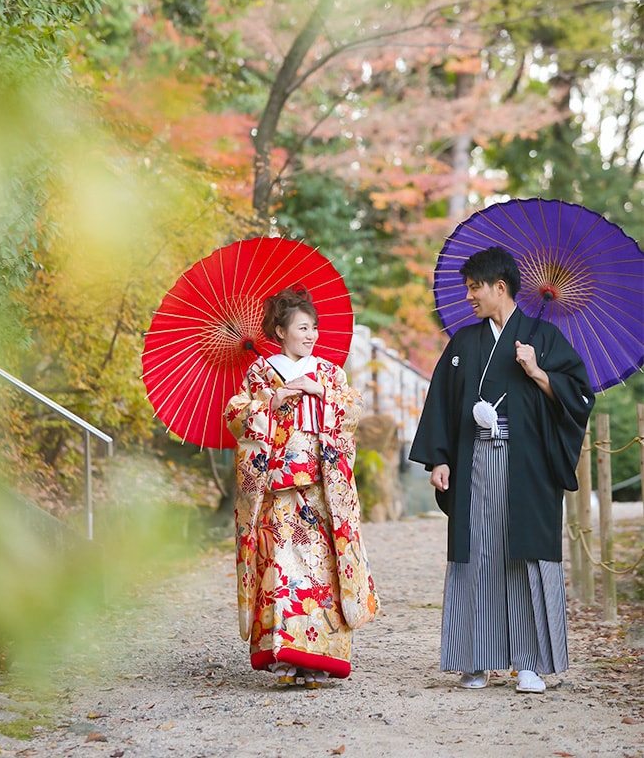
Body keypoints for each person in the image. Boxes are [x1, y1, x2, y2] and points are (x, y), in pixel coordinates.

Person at [409, 246, 594, 694]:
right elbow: (442, 402)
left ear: (500, 287)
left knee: (523, 554)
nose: (469, 296)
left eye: (475, 287)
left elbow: (580, 395)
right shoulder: (464, 343)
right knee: (479, 554)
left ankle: (528, 662)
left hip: (526, 460)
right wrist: (440, 457)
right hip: (474, 457)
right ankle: (476, 658)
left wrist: (538, 372)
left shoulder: (542, 338)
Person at [224, 285, 379, 688]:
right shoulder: (261, 372)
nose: (311, 336)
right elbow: (237, 414)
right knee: (281, 570)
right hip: (277, 488)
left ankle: (321, 655)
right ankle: (283, 655)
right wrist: (269, 403)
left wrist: (321, 392)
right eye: (302, 328)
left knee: (322, 571)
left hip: (321, 489)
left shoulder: (329, 372)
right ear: (279, 331)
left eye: (314, 328)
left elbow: (353, 410)